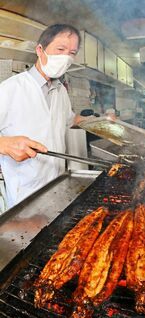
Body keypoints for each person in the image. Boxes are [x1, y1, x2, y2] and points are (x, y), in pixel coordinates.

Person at [0, 24, 90, 209]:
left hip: (58, 186)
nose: (66, 57)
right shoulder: (10, 89)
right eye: (60, 49)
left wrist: (101, 123)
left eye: (72, 53)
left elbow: (69, 120)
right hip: (24, 196)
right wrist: (3, 144)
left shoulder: (61, 92)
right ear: (40, 50)